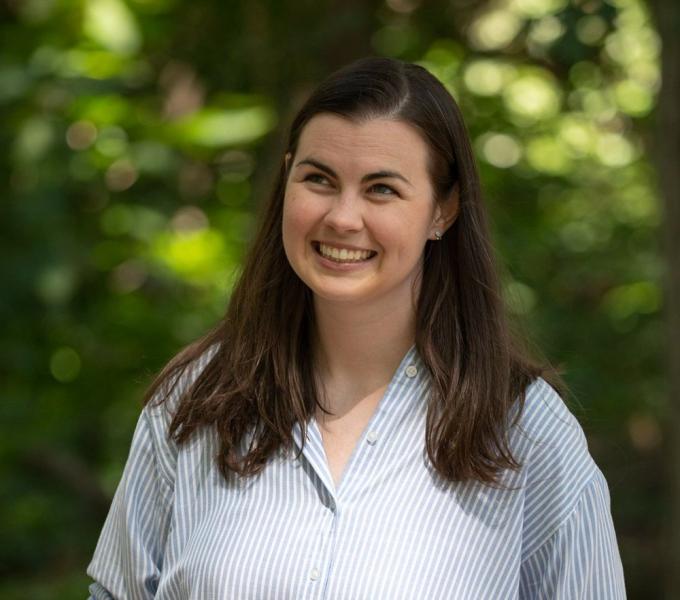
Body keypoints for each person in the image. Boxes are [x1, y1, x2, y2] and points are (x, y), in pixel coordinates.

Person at [87, 57, 626, 599]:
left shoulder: (524, 431)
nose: (343, 218)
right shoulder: (194, 400)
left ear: (443, 209)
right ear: (287, 179)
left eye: (381, 189)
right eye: (319, 179)